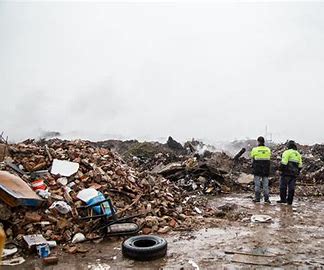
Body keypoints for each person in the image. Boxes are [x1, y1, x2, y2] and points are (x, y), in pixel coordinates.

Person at [277, 140, 302, 205]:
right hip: (294, 174)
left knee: (283, 187)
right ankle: (290, 201)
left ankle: (283, 200)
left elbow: (284, 163)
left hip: (286, 173)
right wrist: (297, 172)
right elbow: (300, 165)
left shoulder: (286, 152)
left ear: (288, 146)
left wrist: (280, 170)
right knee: (291, 187)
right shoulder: (298, 154)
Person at [250, 136, 271, 203]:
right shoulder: (268, 149)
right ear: (264, 142)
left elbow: (252, 157)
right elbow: (269, 158)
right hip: (265, 170)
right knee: (265, 185)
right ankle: (267, 199)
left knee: (257, 185)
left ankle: (257, 198)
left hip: (257, 169)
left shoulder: (254, 149)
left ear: (258, 141)